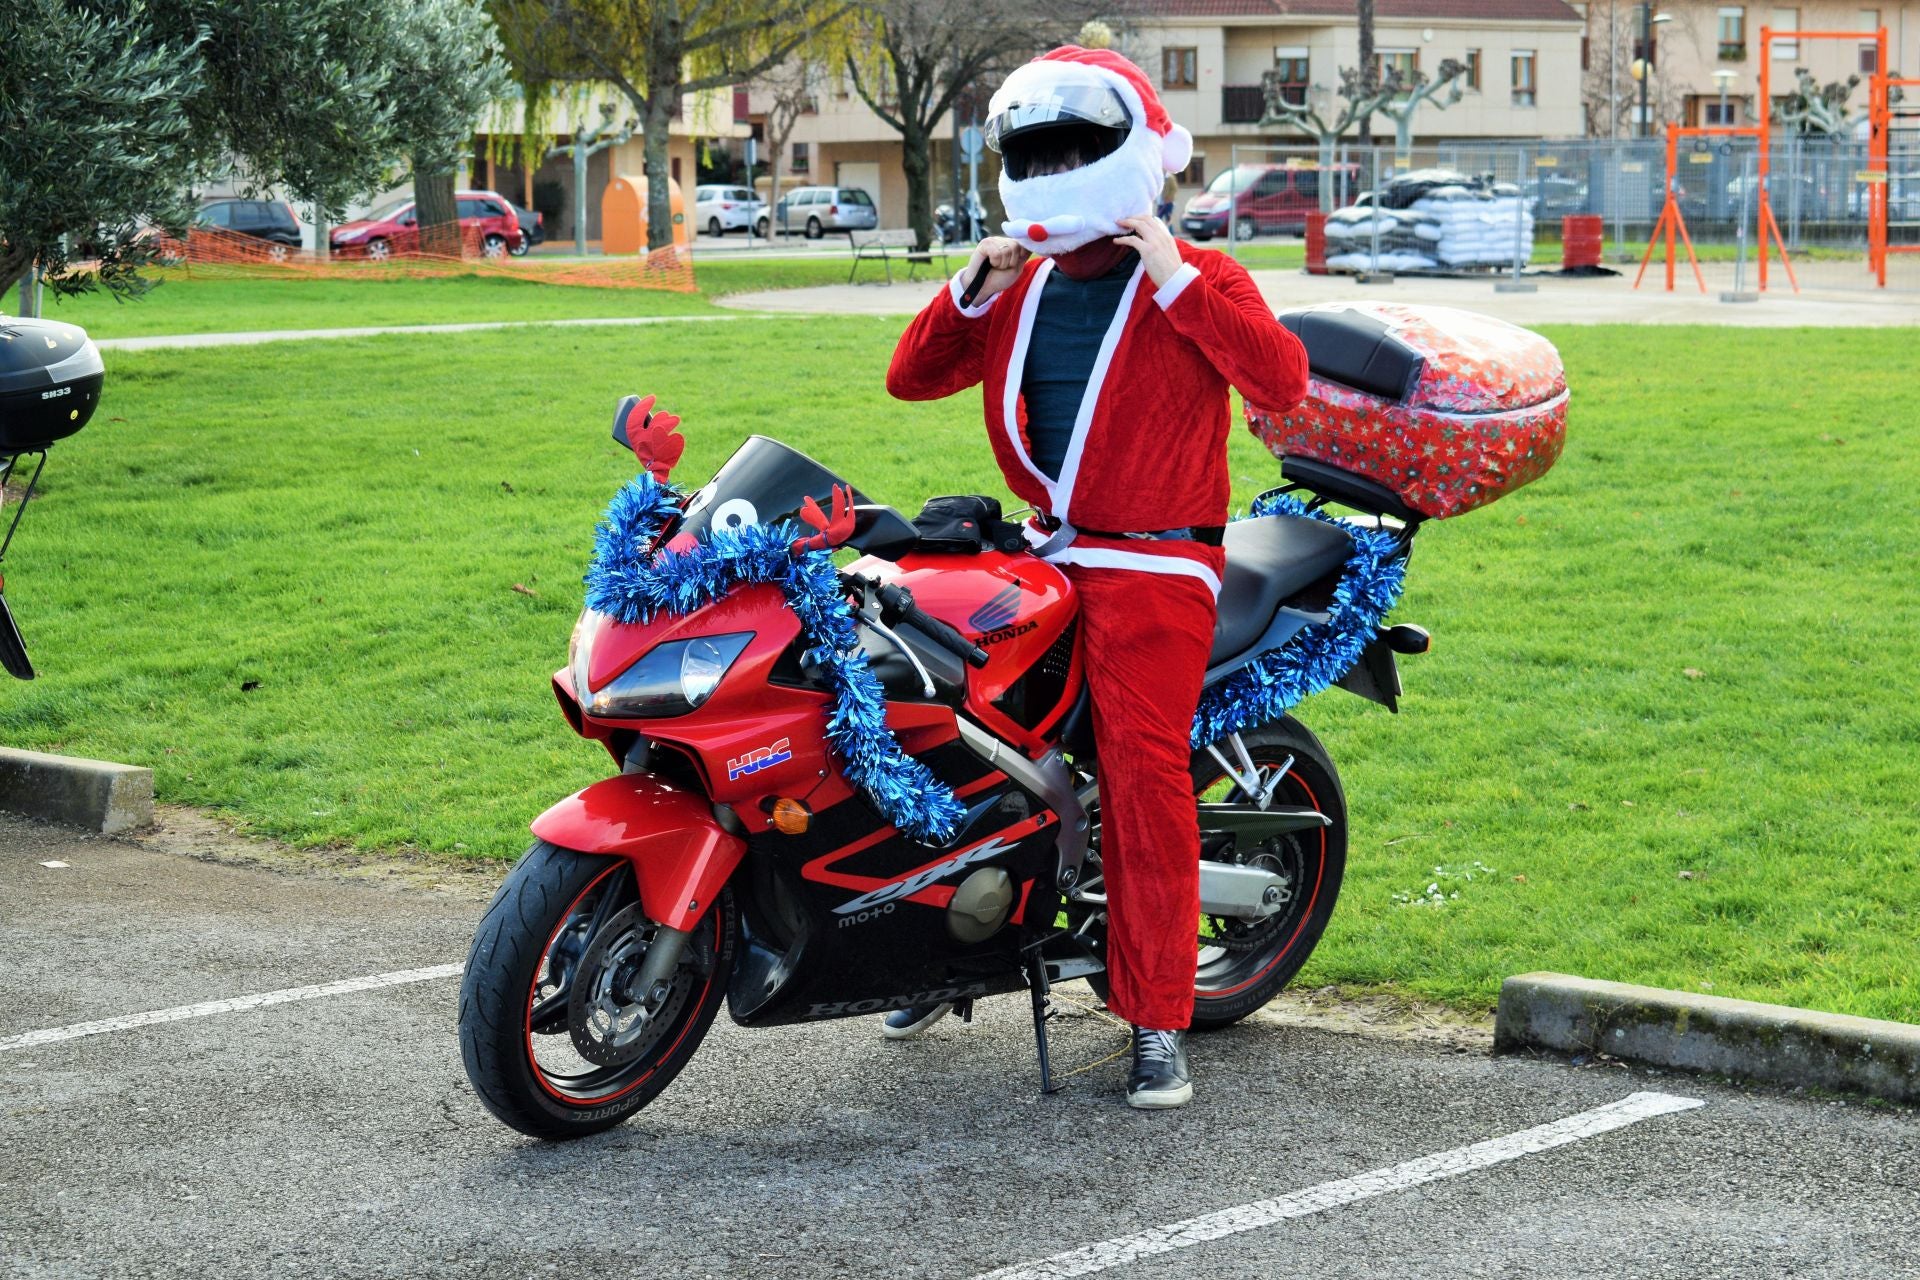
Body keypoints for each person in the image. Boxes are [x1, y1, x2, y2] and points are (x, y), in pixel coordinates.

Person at [881, 46, 1310, 1109]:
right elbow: (910, 378)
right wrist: (970, 288)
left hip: (1157, 558)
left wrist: (1176, 279)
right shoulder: (1022, 284)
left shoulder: (1200, 273)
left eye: (1075, 152)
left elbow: (1281, 381)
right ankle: (943, 946)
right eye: (1040, 156)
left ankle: (1158, 1012)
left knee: (1139, 762)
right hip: (1047, 546)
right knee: (933, 703)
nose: (1055, 171)